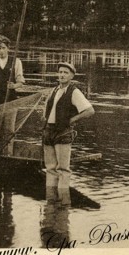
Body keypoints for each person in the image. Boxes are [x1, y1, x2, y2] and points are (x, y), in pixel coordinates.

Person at [42, 62, 95, 193]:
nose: (62, 75)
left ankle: (63, 203)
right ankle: (51, 201)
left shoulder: (74, 92)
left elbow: (89, 110)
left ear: (71, 76)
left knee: (63, 169)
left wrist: (72, 120)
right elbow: (46, 109)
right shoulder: (54, 90)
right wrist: (45, 117)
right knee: (50, 168)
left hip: (63, 133)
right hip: (49, 131)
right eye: (60, 72)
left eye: (66, 73)